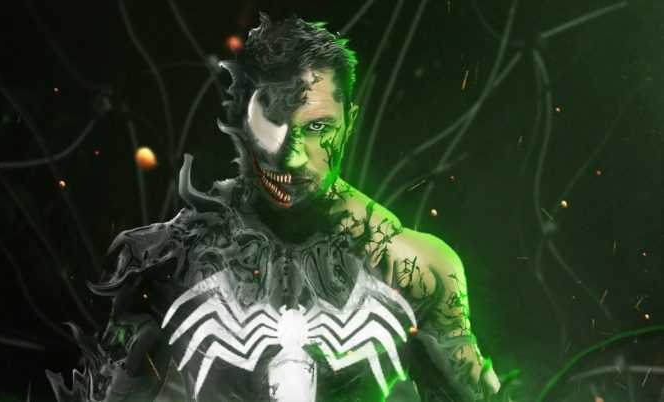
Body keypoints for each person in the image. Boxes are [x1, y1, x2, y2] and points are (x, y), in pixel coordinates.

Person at [47, 13, 507, 402]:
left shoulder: (416, 269)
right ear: (240, 121)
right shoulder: (165, 260)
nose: (292, 156)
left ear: (350, 123)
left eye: (317, 127)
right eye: (272, 123)